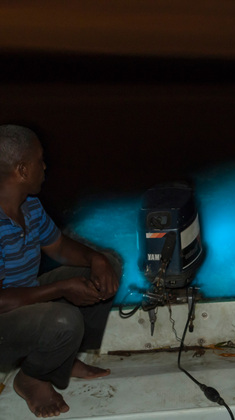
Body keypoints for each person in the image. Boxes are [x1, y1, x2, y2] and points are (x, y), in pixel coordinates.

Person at [0, 124, 121, 417]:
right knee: (63, 320)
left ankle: (63, 360)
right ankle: (31, 378)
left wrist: (97, 260)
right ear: (22, 170)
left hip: (26, 296)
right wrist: (61, 289)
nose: (45, 166)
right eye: (39, 160)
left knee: (108, 265)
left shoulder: (30, 206)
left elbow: (59, 248)